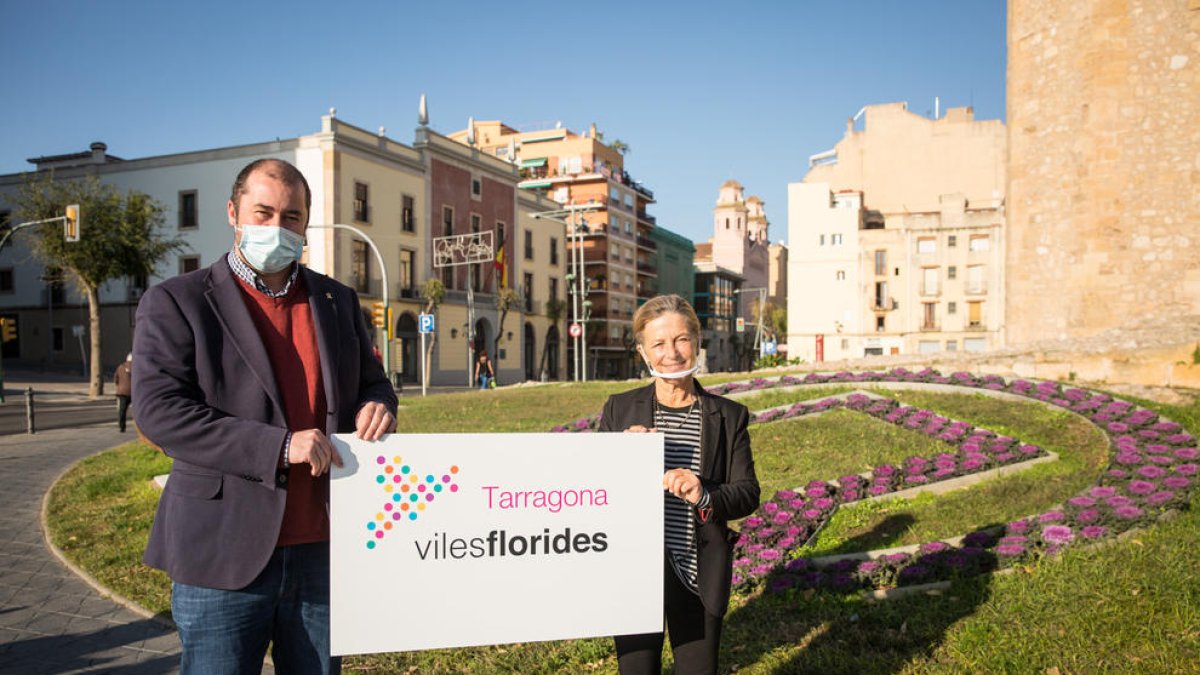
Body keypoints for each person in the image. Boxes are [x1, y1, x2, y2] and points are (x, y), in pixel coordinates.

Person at [133, 158, 397, 674]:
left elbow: (373, 381)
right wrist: (278, 446)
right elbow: (160, 413)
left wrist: (379, 403)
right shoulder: (177, 302)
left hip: (323, 551)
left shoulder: (337, 300)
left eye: (292, 217)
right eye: (263, 212)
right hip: (221, 553)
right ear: (234, 213)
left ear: (305, 225)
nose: (277, 228)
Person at [599, 294, 760, 675]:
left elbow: (747, 492)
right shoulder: (618, 409)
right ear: (642, 353)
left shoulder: (729, 416)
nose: (671, 352)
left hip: (696, 571)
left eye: (681, 339)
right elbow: (596, 490)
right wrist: (620, 458)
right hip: (635, 572)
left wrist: (703, 493)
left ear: (697, 343)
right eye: (658, 343)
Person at [114, 353, 132, 432]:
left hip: (122, 392)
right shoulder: (137, 367)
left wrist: (119, 385)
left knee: (122, 410)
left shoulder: (120, 367)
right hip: (133, 392)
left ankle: (122, 426)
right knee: (138, 410)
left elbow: (116, 378)